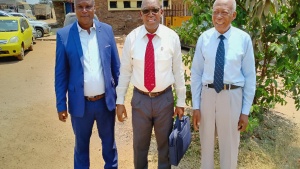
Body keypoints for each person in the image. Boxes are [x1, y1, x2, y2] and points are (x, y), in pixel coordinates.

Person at [115, 0, 186, 168]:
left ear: (161, 12)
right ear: (140, 14)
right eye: (146, 10)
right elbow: (124, 72)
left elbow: (178, 71)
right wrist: (120, 101)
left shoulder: (172, 38)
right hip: (140, 100)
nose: (150, 14)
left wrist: (181, 102)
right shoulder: (132, 39)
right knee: (139, 146)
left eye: (154, 9)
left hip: (164, 100)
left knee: (164, 148)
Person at [191, 0, 256, 168]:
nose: (218, 16)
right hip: (207, 95)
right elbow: (196, 74)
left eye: (224, 12)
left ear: (233, 15)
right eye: (215, 12)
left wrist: (245, 111)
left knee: (229, 147)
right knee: (206, 146)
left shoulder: (243, 39)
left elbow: (250, 77)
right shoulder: (204, 38)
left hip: (231, 96)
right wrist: (196, 106)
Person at [54, 0, 120, 168]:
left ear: (94, 8)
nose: (84, 11)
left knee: (109, 146)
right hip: (80, 104)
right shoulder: (64, 35)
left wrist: (120, 101)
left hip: (105, 103)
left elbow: (116, 68)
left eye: (88, 7)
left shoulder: (106, 31)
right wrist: (61, 104)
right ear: (74, 9)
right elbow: (60, 74)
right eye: (80, 7)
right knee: (81, 147)